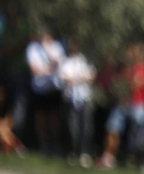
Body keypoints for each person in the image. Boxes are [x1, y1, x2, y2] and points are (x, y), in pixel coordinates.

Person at [25, 25, 64, 154]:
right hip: (39, 89)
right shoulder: (33, 48)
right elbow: (34, 69)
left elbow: (58, 63)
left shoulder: (56, 47)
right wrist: (48, 69)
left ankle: (54, 144)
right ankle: (43, 145)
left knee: (54, 119)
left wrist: (47, 50)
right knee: (40, 118)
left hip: (53, 88)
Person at [58, 38, 96, 166]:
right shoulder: (65, 61)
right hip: (70, 98)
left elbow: (90, 78)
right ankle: (73, 151)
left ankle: (84, 152)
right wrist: (80, 78)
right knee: (72, 127)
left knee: (86, 127)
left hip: (84, 97)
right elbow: (64, 78)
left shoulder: (85, 61)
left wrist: (75, 79)